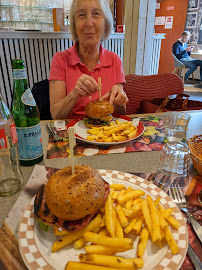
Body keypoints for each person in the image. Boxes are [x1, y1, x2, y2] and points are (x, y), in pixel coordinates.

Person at [49, 0, 128, 119]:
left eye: (96, 14)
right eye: (81, 15)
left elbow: (121, 112)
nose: (89, 23)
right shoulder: (60, 59)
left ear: (106, 23)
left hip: (105, 133)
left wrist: (120, 101)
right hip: (71, 133)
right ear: (74, 24)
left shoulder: (114, 60)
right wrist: (74, 94)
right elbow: (56, 115)